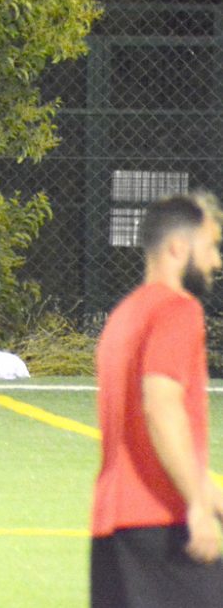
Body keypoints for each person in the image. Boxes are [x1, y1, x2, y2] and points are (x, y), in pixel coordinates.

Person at [90, 192, 223, 607]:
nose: (216, 261)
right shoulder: (177, 310)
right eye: (210, 247)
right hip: (162, 524)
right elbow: (161, 407)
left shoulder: (123, 317)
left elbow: (138, 441)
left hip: (112, 532)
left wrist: (212, 497)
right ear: (178, 248)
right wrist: (198, 506)